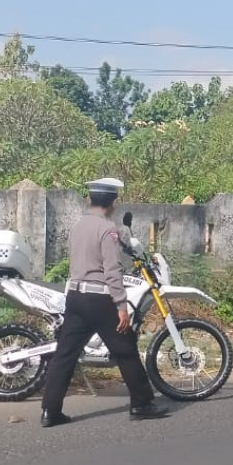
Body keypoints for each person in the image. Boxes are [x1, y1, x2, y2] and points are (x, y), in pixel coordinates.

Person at [39, 178, 169, 427]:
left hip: (75, 296)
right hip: (99, 298)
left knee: (65, 355)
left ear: (90, 199)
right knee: (126, 349)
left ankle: (50, 411)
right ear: (112, 203)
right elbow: (111, 270)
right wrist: (121, 306)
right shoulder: (109, 229)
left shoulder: (78, 226)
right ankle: (141, 404)